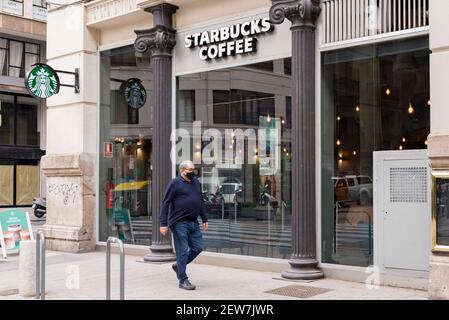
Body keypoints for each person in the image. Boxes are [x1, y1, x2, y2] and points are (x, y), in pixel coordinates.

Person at [160, 160, 209, 290]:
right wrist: (163, 223)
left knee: (198, 248)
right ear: (183, 171)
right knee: (182, 251)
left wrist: (204, 218)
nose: (193, 172)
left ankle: (178, 266)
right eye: (191, 170)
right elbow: (166, 203)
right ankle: (183, 280)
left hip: (194, 222)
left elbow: (201, 201)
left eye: (194, 169)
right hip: (179, 222)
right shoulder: (175, 183)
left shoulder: (196, 183)